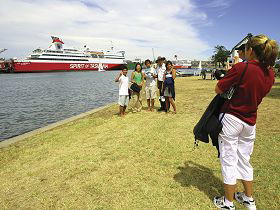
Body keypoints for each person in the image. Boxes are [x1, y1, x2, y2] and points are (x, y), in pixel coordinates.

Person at [213, 34, 278, 210]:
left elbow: (218, 88)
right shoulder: (270, 73)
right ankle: (248, 199)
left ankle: (228, 203)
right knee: (244, 158)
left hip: (232, 117)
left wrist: (232, 70)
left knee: (229, 159)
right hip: (250, 120)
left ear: (250, 50)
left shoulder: (242, 67)